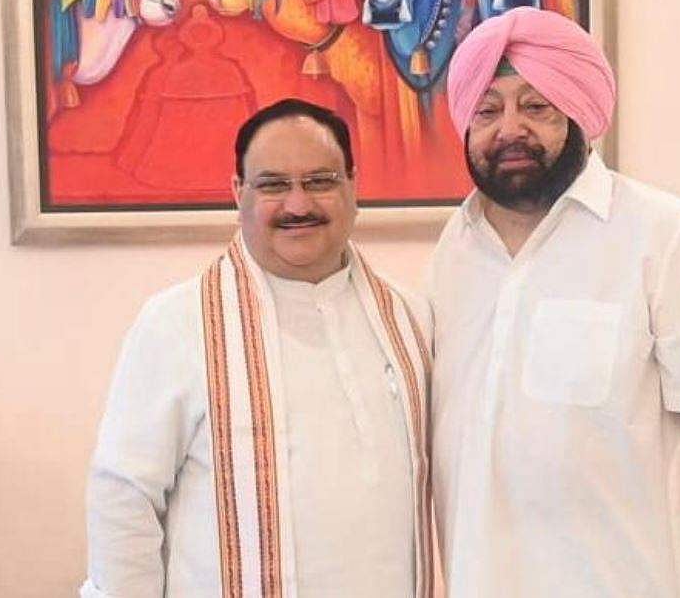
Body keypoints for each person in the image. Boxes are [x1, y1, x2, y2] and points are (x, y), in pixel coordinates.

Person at [430, 7, 680, 597]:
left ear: (580, 116)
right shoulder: (454, 250)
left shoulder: (663, 234)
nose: (510, 129)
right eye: (487, 111)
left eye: (536, 106)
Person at [82, 99, 433, 597]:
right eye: (273, 185)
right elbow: (124, 497)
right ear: (238, 192)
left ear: (353, 186)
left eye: (320, 181)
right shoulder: (177, 322)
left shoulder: (411, 319)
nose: (298, 205)